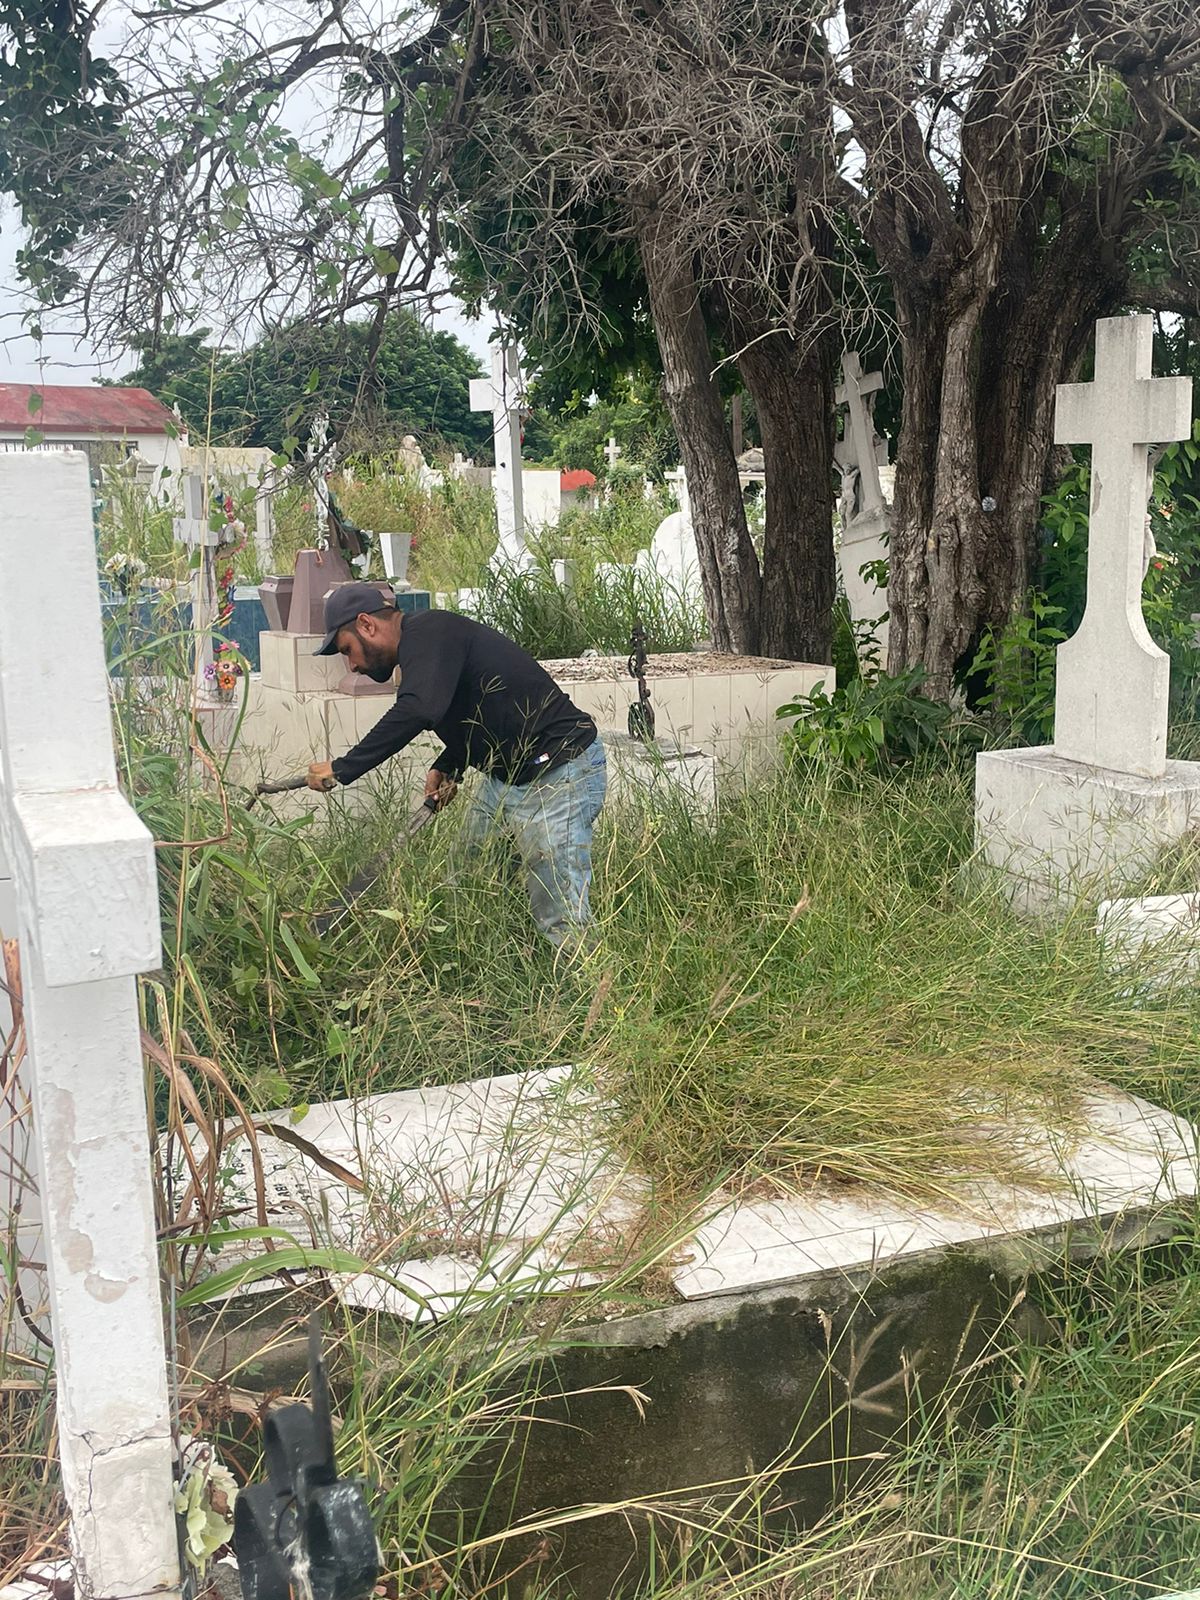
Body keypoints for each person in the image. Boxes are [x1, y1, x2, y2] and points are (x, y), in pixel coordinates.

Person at [306, 584, 607, 947]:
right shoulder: (425, 647)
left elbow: (420, 708)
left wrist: (342, 768)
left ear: (367, 624)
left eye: (347, 650)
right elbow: (478, 707)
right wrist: (450, 764)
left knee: (559, 915)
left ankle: (586, 997)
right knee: (469, 880)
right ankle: (498, 974)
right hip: (508, 777)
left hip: (561, 771)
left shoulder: (431, 632)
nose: (351, 664)